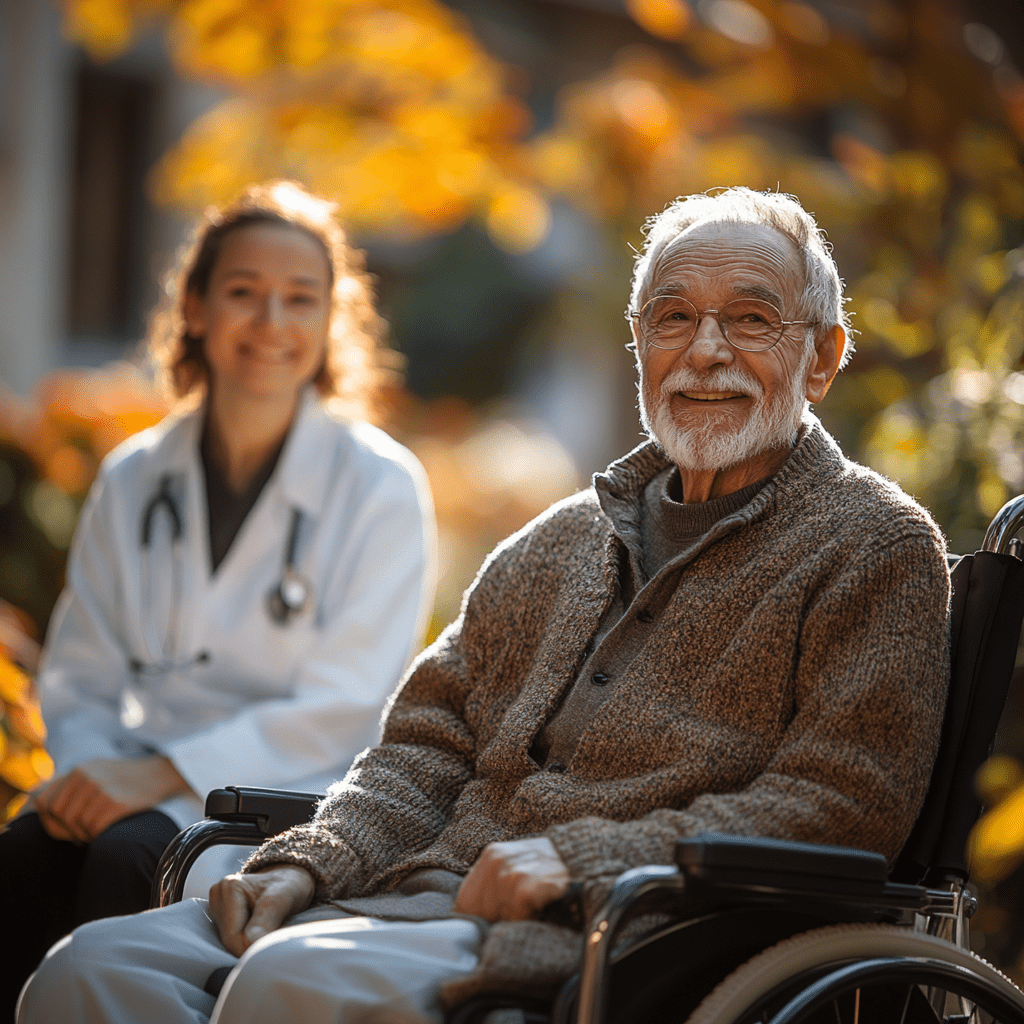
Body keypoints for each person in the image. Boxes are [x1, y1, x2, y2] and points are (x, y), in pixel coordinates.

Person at [18, 187, 950, 1024]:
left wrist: (584, 858)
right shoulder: (556, 543)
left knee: (290, 988)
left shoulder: (875, 546)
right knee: (90, 970)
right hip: (403, 894)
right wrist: (310, 860)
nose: (705, 351)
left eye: (750, 319)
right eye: (674, 317)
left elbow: (841, 802)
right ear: (640, 347)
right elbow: (426, 744)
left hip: (615, 930)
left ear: (822, 358)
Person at [3, 181, 437, 1015]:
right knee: (24, 858)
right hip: (128, 773)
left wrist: (160, 775)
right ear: (196, 306)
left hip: (281, 795)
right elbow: (80, 673)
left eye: (299, 298)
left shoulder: (379, 485)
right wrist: (95, 775)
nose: (272, 322)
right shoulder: (136, 477)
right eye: (243, 292)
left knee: (124, 861)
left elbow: (348, 704)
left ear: (327, 322)